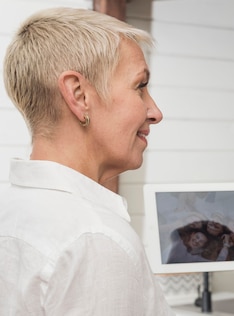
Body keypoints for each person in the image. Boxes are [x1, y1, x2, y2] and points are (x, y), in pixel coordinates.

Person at [0, 7, 172, 315]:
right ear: (78, 95)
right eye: (140, 87)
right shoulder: (94, 240)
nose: (155, 111)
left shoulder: (10, 208)